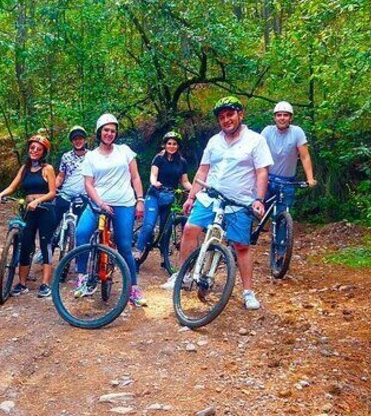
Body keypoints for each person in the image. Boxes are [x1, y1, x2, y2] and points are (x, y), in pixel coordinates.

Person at [161, 96, 273, 311]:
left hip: (239, 201)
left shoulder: (255, 140)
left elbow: (262, 171)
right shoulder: (214, 141)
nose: (226, 120)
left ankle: (248, 291)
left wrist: (259, 199)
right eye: (222, 117)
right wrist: (192, 196)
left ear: (240, 114)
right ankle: (182, 276)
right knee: (190, 229)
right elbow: (203, 170)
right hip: (210, 196)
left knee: (241, 246)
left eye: (230, 115)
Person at [74, 113, 147, 307]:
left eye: (113, 131)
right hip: (98, 203)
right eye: (106, 130)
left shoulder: (125, 151)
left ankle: (133, 289)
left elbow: (136, 177)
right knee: (81, 234)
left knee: (124, 246)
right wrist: (99, 203)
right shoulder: (91, 156)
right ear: (99, 132)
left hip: (124, 203)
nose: (109, 134)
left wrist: (140, 200)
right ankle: (82, 277)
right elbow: (88, 184)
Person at [0, 135, 58, 298]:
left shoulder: (47, 168)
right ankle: (22, 283)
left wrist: (38, 201)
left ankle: (45, 284)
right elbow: (12, 187)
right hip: (28, 210)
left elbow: (52, 192)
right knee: (25, 243)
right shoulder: (25, 168)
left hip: (45, 210)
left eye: (38, 149)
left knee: (45, 244)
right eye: (32, 147)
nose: (34, 151)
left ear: (43, 152)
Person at [133, 130, 192, 259]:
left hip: (170, 197)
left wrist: (194, 190)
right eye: (169, 143)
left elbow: (185, 181)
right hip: (155, 195)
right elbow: (153, 175)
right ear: (165, 145)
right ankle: (138, 250)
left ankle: (164, 256)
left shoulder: (182, 162)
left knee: (167, 230)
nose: (172, 146)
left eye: (174, 144)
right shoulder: (159, 158)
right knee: (149, 225)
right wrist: (155, 183)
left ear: (178, 146)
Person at [260, 101, 316, 214]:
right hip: (268, 179)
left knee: (282, 216)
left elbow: (305, 156)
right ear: (274, 118)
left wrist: (310, 178)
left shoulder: (297, 132)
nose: (282, 118)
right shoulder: (267, 132)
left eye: (285, 115)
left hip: (287, 182)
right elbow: (257, 154)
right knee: (255, 210)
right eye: (279, 115)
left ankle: (280, 229)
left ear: (290, 118)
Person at [53, 125, 90, 222]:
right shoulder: (66, 156)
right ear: (72, 141)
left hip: (84, 198)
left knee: (80, 229)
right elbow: (61, 176)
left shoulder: (92, 156)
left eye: (80, 138)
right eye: (75, 139)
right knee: (55, 223)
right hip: (66, 195)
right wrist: (51, 189)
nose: (78, 141)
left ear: (85, 140)